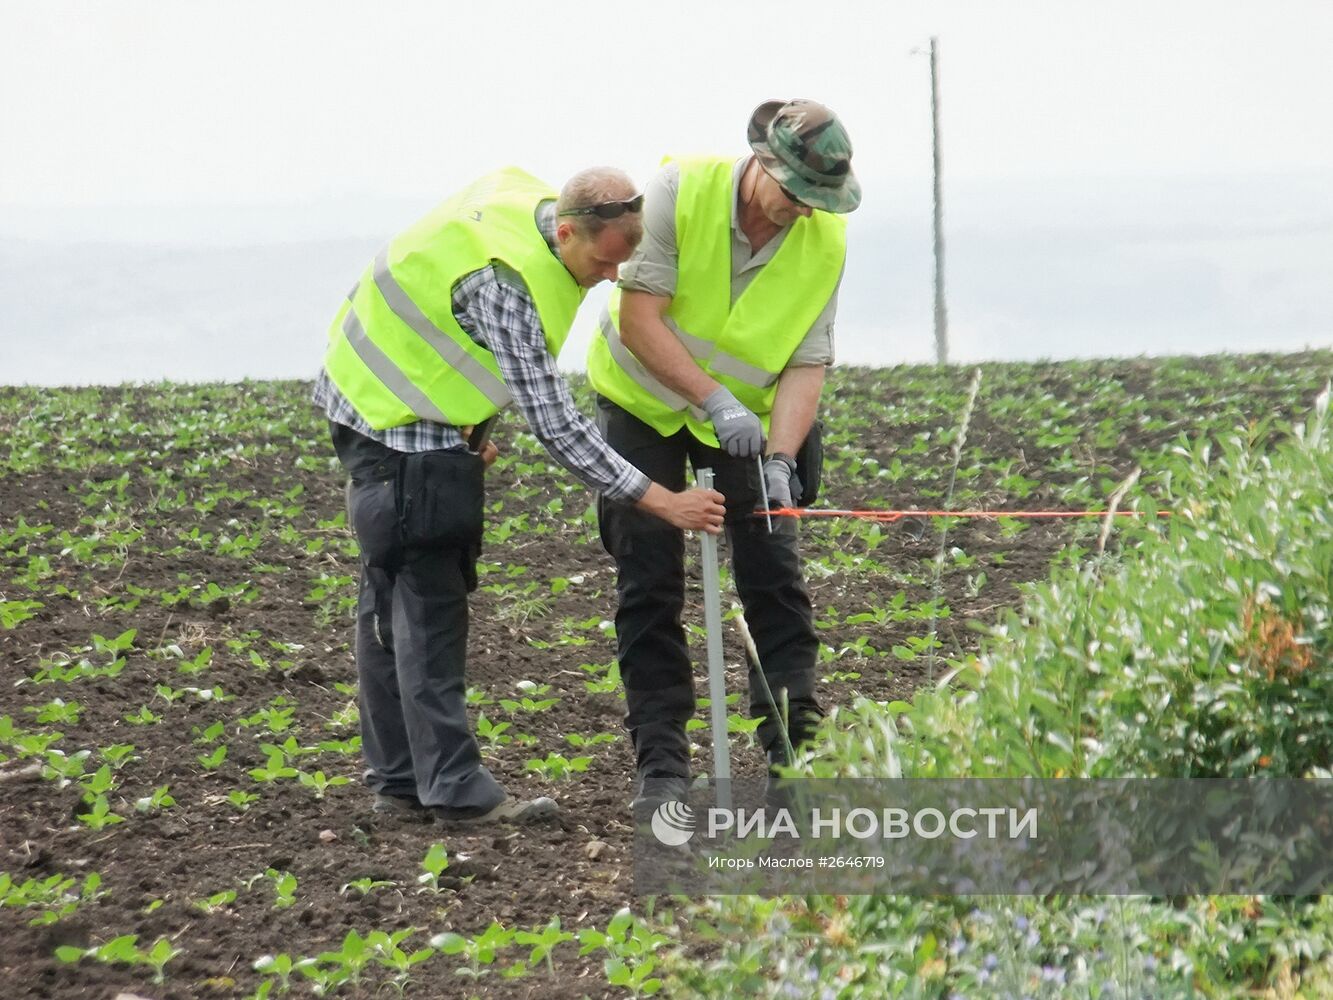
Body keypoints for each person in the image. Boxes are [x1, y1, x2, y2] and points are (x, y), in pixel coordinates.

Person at [313, 165, 725, 825]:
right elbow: (557, 424)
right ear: (566, 231)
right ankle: (455, 792)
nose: (612, 277)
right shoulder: (506, 282)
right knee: (426, 602)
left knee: (388, 596)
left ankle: (397, 783)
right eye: (605, 258)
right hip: (401, 430)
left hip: (373, 402)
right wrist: (660, 500)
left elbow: (457, 337)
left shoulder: (523, 205)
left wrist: (473, 423)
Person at [586, 99, 861, 814]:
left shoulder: (823, 241)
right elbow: (638, 317)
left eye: (817, 200)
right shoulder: (680, 191)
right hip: (644, 403)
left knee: (774, 576)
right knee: (648, 580)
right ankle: (663, 770)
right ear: (762, 163)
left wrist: (779, 456)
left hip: (747, 428)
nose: (802, 210)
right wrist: (712, 398)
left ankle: (796, 760)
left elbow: (806, 362)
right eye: (794, 193)